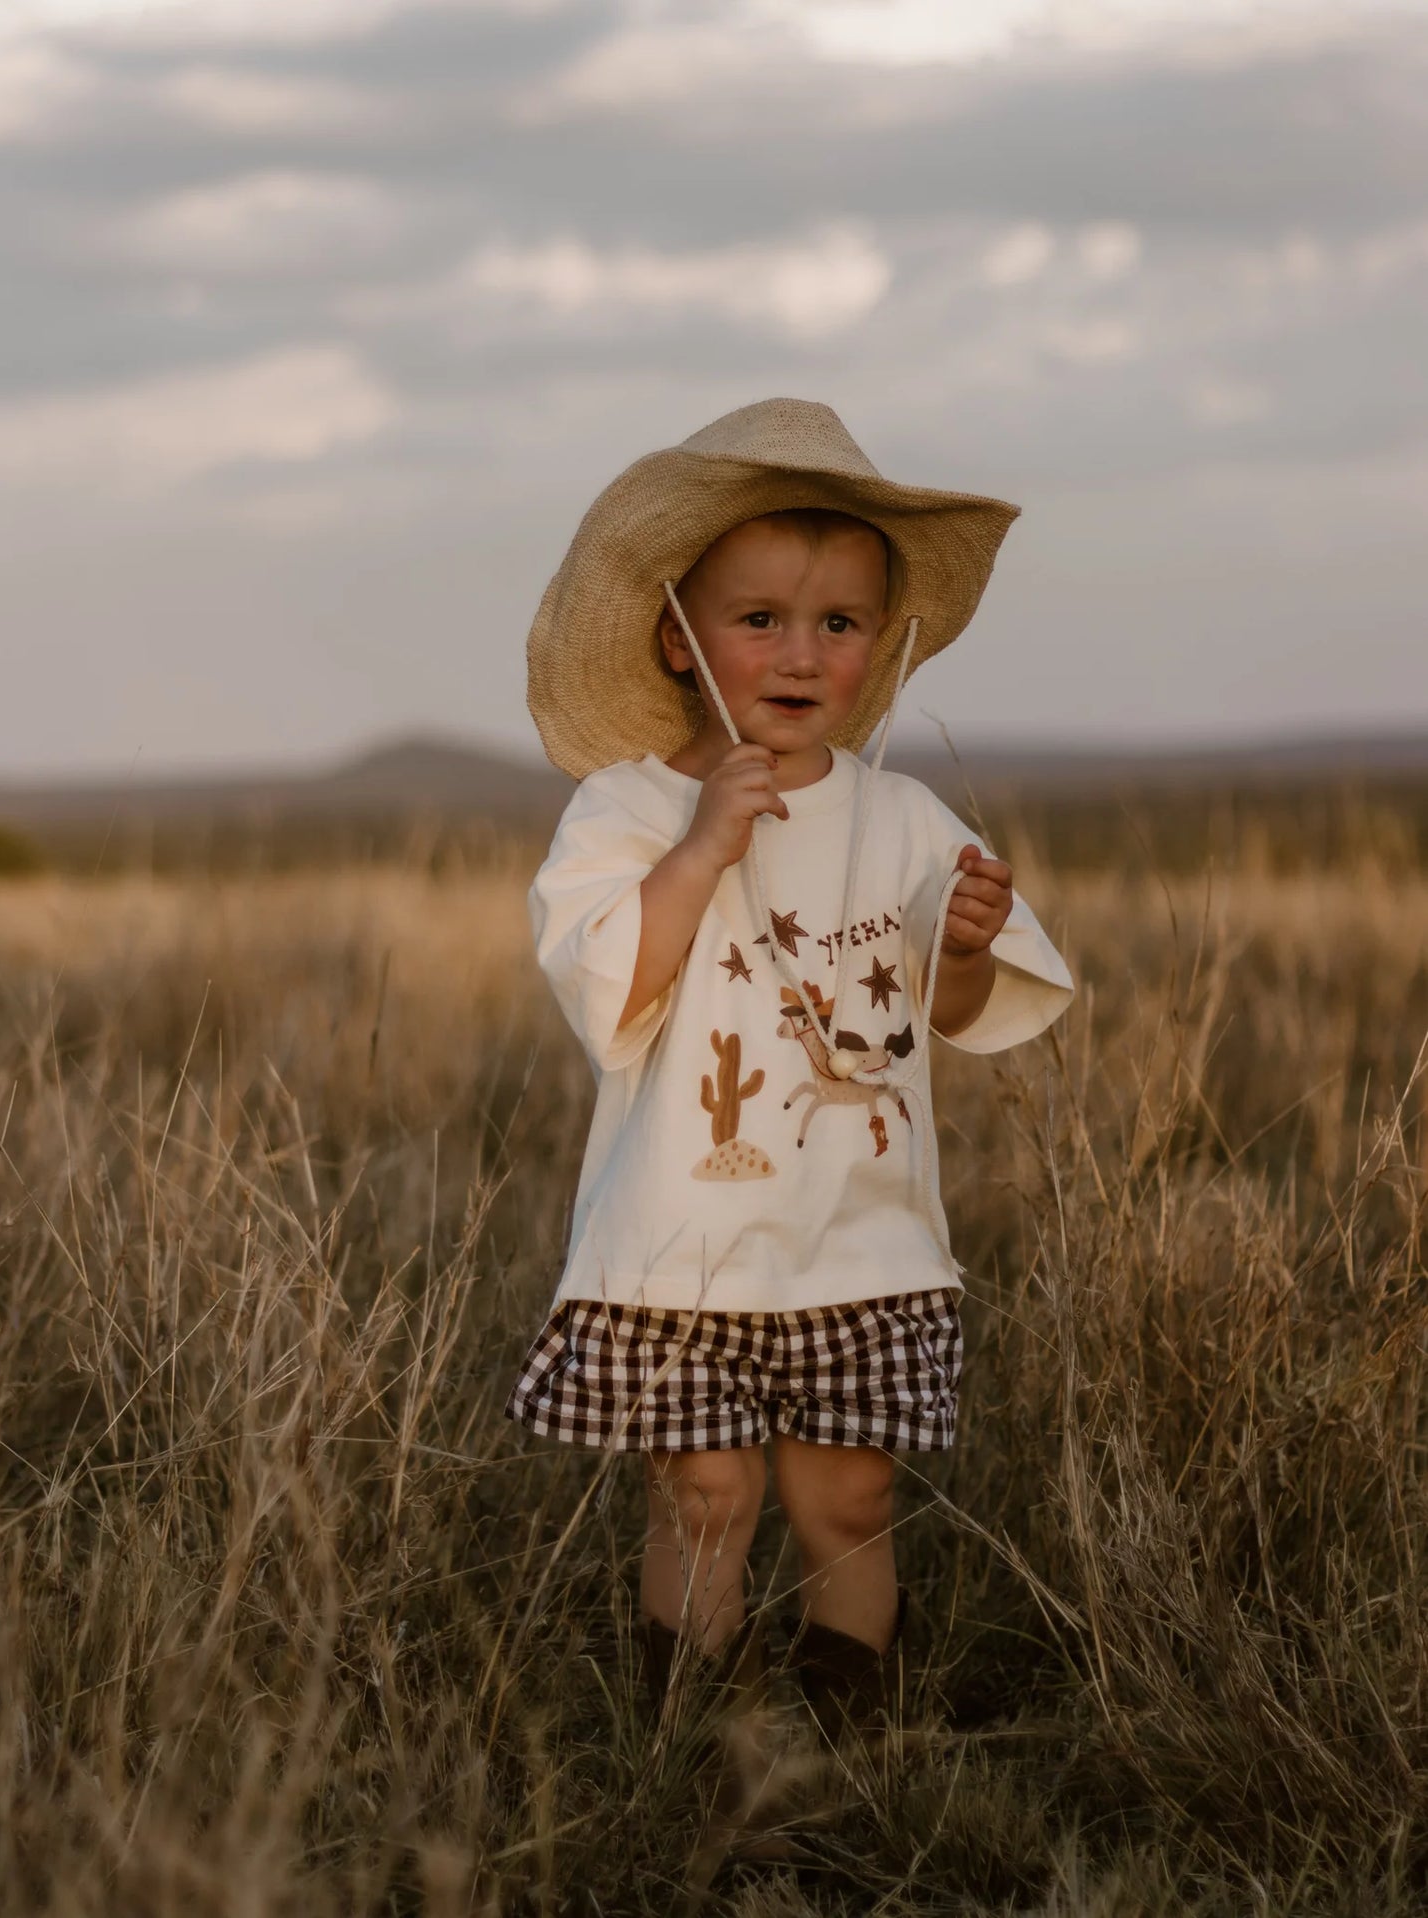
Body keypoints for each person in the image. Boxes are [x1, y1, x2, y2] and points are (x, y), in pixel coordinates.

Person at [504, 397, 1074, 1784]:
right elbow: (611, 996)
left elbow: (947, 1017)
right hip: (680, 1243)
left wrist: (961, 943)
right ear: (674, 636)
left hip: (858, 1234)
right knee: (704, 1491)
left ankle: (845, 1738)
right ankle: (684, 1743)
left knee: (848, 1491)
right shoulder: (626, 809)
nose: (801, 652)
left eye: (838, 622)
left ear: (879, 645)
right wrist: (702, 843)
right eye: (756, 617)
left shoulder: (902, 818)